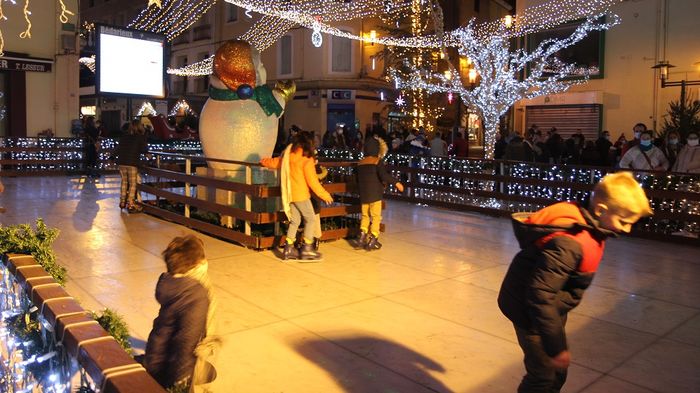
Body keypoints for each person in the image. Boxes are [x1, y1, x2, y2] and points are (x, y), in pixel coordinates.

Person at [498, 171, 653, 393]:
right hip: (530, 312)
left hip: (550, 308)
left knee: (557, 373)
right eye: (623, 221)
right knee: (542, 376)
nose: (626, 229)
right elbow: (540, 296)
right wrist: (556, 346)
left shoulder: (590, 225)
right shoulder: (569, 245)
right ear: (600, 210)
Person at [144, 235, 218, 391]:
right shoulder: (196, 295)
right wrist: (181, 385)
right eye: (203, 259)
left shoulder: (173, 284)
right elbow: (185, 345)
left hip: (154, 355)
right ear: (198, 265)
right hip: (172, 367)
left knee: (211, 372)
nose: (206, 262)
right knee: (204, 372)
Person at [261, 131, 333, 261]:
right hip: (301, 195)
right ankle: (307, 249)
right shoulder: (306, 160)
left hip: (289, 195)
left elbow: (275, 162)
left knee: (295, 221)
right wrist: (325, 194)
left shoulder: (289, 157)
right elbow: (313, 182)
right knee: (310, 219)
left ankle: (288, 248)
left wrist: (263, 161)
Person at [355, 135, 404, 250]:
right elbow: (383, 175)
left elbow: (357, 179)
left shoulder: (360, 163)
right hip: (375, 194)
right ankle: (374, 238)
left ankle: (363, 234)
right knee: (376, 217)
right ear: (377, 149)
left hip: (364, 195)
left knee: (365, 215)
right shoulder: (377, 161)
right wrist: (396, 183)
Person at [115, 120, 148, 213]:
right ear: (139, 126)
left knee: (124, 182)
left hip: (122, 162)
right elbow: (143, 149)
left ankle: (122, 202)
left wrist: (112, 157)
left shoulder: (124, 136)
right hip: (132, 163)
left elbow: (119, 147)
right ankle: (130, 203)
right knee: (133, 183)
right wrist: (147, 153)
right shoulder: (140, 137)